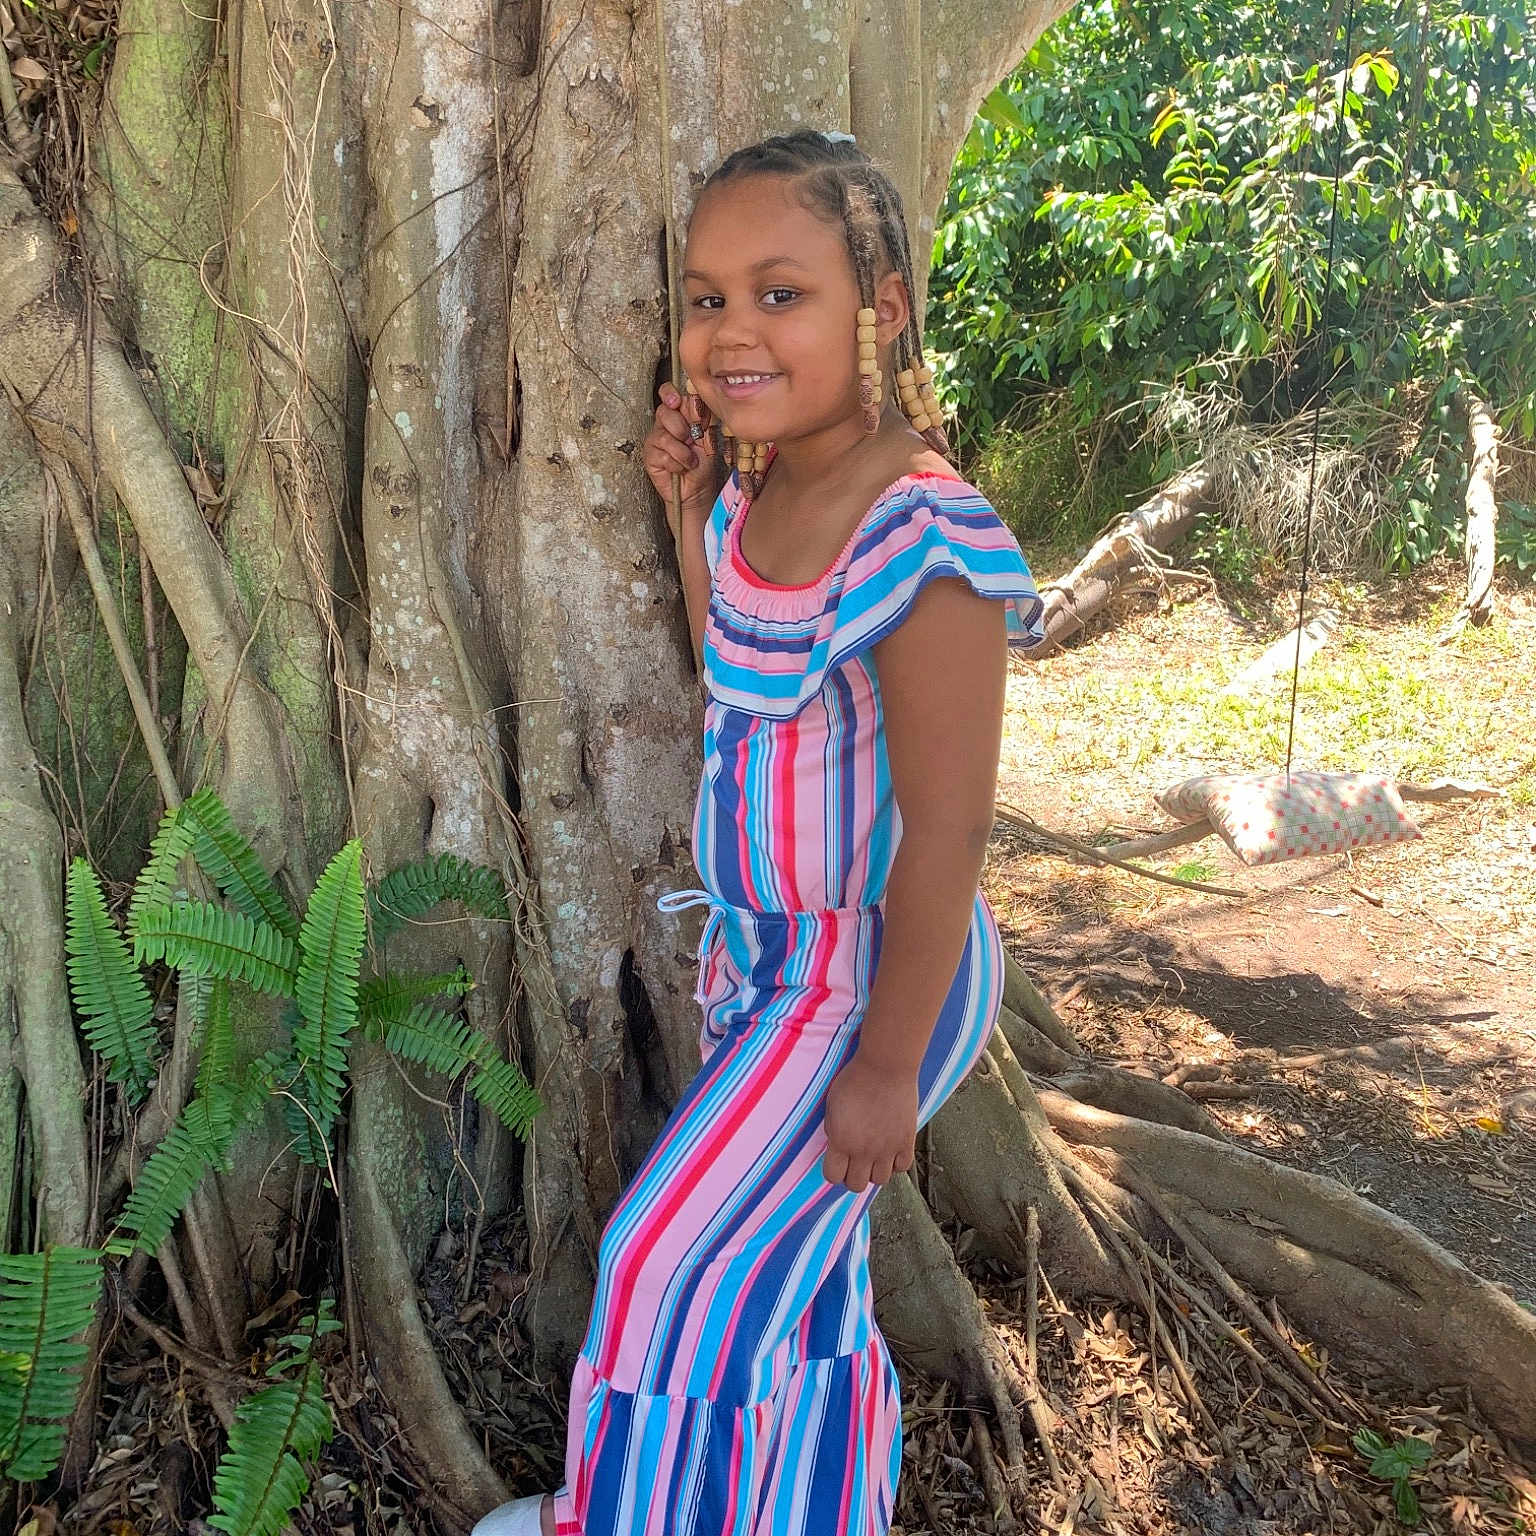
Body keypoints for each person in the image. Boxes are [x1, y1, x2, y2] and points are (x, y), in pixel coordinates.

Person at [473, 130, 1043, 1536]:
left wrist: (891, 1067)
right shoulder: (768, 485)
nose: (734, 330)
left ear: (882, 306)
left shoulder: (928, 534)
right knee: (798, 1284)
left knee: (663, 1264)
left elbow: (951, 831)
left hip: (867, 982)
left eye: (780, 293)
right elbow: (735, 648)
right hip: (771, 967)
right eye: (708, 296)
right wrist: (684, 505)